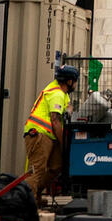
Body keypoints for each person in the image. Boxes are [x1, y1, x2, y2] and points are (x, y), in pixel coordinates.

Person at [23, 64, 78, 198]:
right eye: (75, 81)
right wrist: (64, 143)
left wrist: (69, 109)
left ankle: (34, 195)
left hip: (48, 136)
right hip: (39, 134)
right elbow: (55, 120)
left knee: (56, 166)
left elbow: (68, 105)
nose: (76, 84)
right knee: (37, 171)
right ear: (69, 81)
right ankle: (26, 203)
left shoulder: (62, 93)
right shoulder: (56, 94)